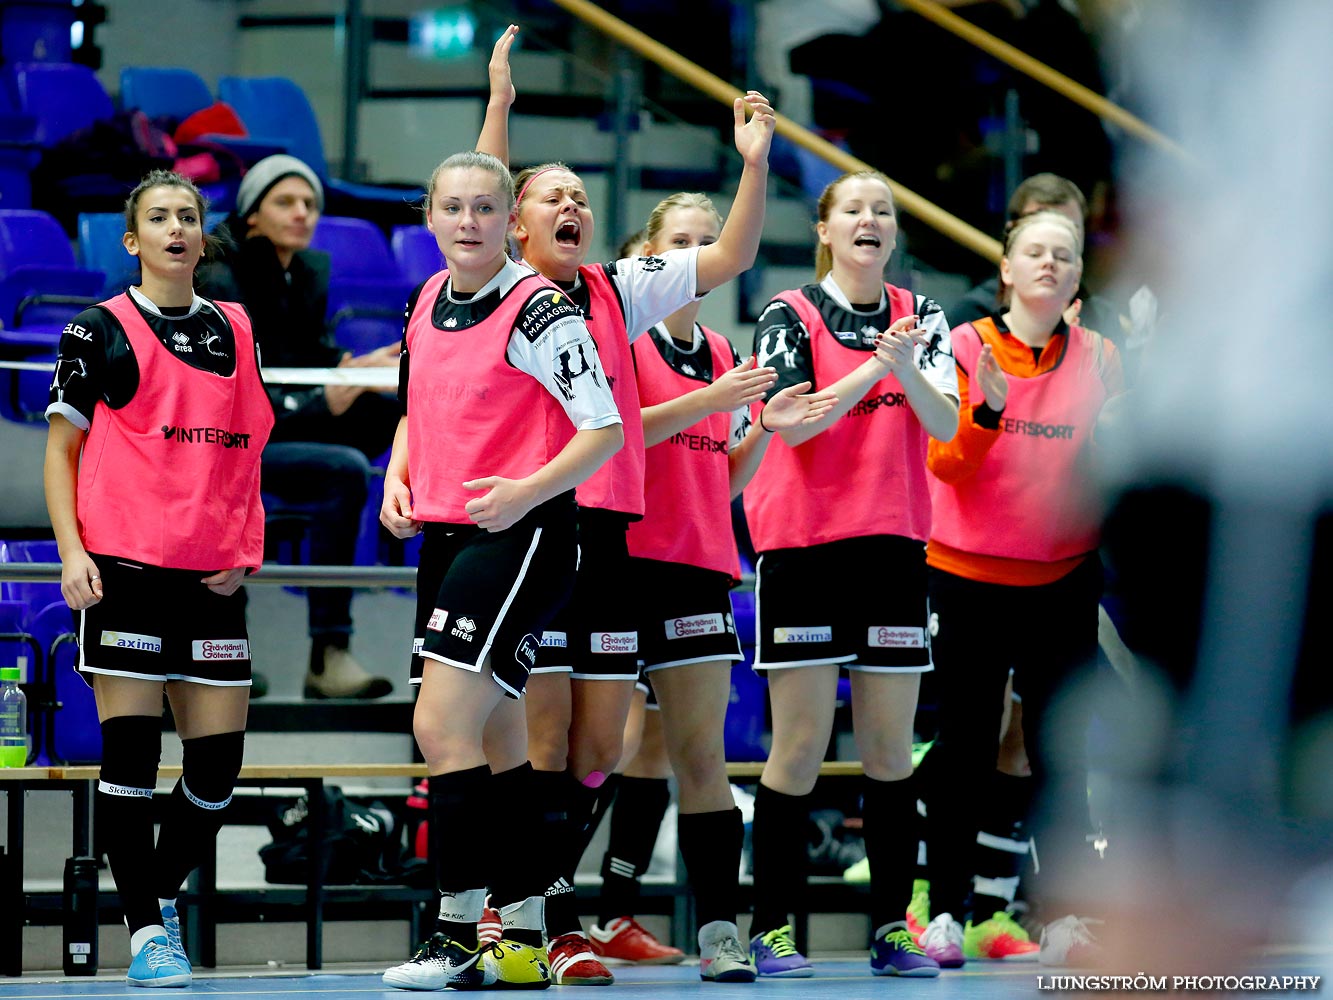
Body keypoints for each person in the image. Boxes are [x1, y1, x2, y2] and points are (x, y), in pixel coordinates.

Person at [504, 91, 777, 985]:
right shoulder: (532, 298)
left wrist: (752, 161)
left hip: (650, 555)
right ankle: (535, 918)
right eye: (553, 197)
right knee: (552, 747)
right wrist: (501, 107)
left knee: (607, 754)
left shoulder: (628, 306)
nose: (571, 206)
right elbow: (471, 208)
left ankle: (695, 926)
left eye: (581, 194)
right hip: (548, 531)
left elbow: (734, 257)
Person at [376, 148, 624, 991]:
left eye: (485, 208)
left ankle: (453, 937)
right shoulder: (422, 301)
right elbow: (415, 408)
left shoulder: (539, 310)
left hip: (522, 534)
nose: (469, 223)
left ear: (506, 221)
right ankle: (519, 939)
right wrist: (395, 474)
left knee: (438, 726)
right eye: (453, 208)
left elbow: (604, 431)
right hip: (449, 537)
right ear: (431, 216)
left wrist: (525, 490)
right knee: (495, 737)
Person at [586, 193, 837, 976]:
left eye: (709, 240)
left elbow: (721, 481)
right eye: (682, 243)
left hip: (699, 568)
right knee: (596, 752)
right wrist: (712, 402)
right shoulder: (619, 341)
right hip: (618, 560)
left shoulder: (726, 353)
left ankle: (719, 932)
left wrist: (762, 423)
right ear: (650, 258)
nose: (699, 256)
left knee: (697, 756)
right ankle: (549, 916)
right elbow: (618, 434)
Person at [43, 169, 274, 987]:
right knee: (131, 764)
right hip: (124, 573)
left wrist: (247, 544)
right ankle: (145, 933)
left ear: (203, 236)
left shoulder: (237, 329)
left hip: (211, 579)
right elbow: (61, 453)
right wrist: (73, 553)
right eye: (159, 218)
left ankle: (152, 896)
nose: (177, 228)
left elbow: (248, 449)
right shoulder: (95, 329)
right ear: (133, 240)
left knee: (216, 773)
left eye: (189, 216)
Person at [743, 169, 960, 978]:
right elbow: (789, 425)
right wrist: (876, 369)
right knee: (797, 747)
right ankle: (772, 927)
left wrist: (904, 367)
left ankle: (891, 928)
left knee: (888, 752)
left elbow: (943, 421)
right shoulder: (786, 315)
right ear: (825, 230)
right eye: (854, 210)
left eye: (883, 211)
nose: (870, 220)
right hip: (803, 548)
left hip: (894, 547)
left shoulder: (922, 317)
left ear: (893, 234)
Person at [922, 210, 1123, 968]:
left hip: (1063, 579)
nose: (1048, 263)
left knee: (1058, 752)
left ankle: (1063, 915)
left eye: (1062, 255)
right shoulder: (967, 345)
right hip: (966, 575)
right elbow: (944, 465)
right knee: (964, 748)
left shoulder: (1102, 357)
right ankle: (943, 910)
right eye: (1034, 252)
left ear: (1075, 278)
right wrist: (987, 411)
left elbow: (1111, 464)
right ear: (1005, 268)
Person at [200, 153, 398, 700]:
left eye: (310, 203)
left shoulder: (305, 270)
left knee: (391, 408)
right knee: (345, 470)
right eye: (285, 202)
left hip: (283, 422)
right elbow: (234, 393)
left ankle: (331, 655)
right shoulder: (220, 276)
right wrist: (320, 403)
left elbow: (300, 353)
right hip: (226, 445)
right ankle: (285, 649)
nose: (303, 213)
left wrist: (350, 368)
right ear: (251, 215)